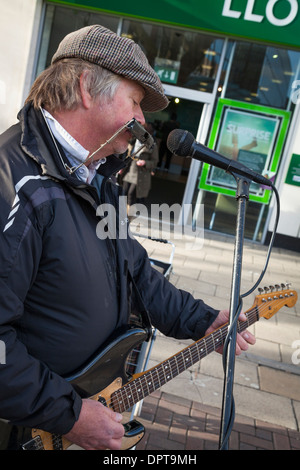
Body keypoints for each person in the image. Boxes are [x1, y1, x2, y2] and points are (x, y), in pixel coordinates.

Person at [0, 25, 255, 451]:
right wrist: (71, 414)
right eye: (135, 101)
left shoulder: (96, 177)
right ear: (86, 88)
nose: (143, 119)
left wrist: (203, 321)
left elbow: (133, 268)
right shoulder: (16, 185)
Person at [122, 122, 158, 208]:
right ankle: (120, 212)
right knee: (123, 191)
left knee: (131, 193)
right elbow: (125, 154)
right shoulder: (133, 140)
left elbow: (155, 162)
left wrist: (145, 162)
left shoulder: (152, 146)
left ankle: (128, 215)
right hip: (130, 169)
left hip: (140, 173)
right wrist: (120, 167)